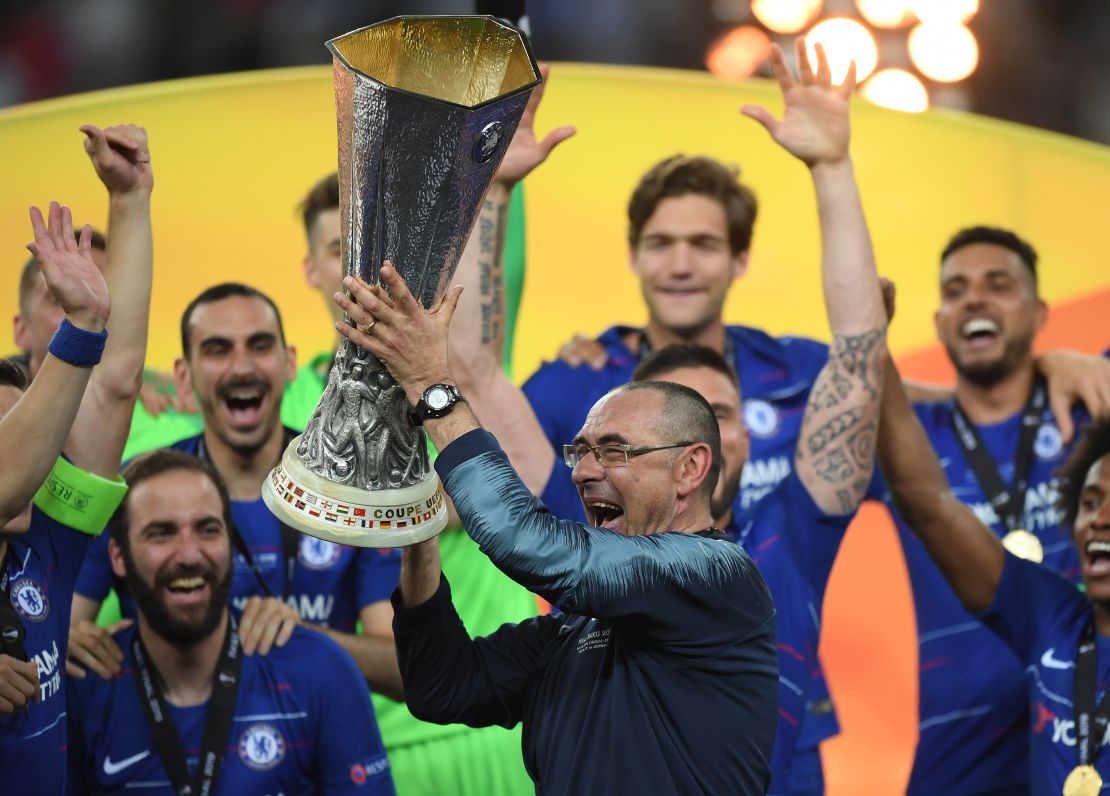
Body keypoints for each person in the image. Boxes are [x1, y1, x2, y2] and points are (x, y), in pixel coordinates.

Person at [445, 43, 884, 793]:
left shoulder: (794, 521)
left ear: (735, 438)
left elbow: (861, 351)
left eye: (717, 414)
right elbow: (474, 367)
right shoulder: (593, 494)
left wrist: (834, 170)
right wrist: (493, 191)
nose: (700, 438)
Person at [337, 261, 778, 792]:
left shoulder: (717, 577)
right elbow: (442, 687)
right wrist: (419, 530)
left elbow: (525, 540)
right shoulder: (577, 630)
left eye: (614, 452)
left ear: (690, 468)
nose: (585, 472)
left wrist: (433, 388)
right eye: (582, 452)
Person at [68, 283, 404, 700]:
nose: (241, 367)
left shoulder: (352, 485)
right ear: (184, 377)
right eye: (217, 350)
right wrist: (76, 644)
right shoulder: (137, 492)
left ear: (289, 363)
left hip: (312, 752)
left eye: (259, 346)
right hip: (170, 754)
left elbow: (403, 672)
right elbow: (62, 637)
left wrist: (301, 638)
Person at [865, 227, 1110, 794]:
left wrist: (1068, 364)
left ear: (1040, 311)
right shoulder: (903, 441)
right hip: (956, 763)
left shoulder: (1093, 403)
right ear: (939, 322)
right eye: (955, 291)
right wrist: (866, 341)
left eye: (998, 285)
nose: (974, 299)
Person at [67, 449, 395, 795]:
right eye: (162, 533)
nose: (190, 555)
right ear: (118, 556)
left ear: (230, 545)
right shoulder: (83, 689)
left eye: (208, 530)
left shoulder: (320, 671)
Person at [2, 122, 153, 796]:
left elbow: (114, 381)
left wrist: (132, 199)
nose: (31, 456)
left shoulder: (48, 550)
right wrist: (81, 329)